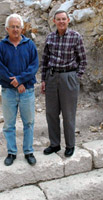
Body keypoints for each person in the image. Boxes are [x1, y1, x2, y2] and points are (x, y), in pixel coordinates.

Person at [0, 13, 39, 166]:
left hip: (27, 91)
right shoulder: (1, 46)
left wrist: (20, 80)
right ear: (7, 29)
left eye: (17, 27)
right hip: (8, 91)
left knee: (29, 122)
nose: (15, 29)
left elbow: (34, 66)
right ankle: (12, 152)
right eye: (12, 27)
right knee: (9, 124)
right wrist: (16, 83)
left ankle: (28, 151)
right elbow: (0, 68)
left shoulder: (30, 44)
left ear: (22, 29)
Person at [41, 10, 87, 157]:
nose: (61, 22)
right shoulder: (50, 37)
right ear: (54, 21)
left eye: (63, 19)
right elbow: (45, 60)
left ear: (68, 20)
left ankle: (70, 145)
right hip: (52, 77)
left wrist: (75, 76)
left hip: (69, 77)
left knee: (68, 114)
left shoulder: (75, 37)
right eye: (58, 19)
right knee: (51, 113)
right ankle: (54, 144)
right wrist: (43, 79)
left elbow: (83, 61)